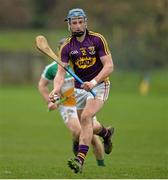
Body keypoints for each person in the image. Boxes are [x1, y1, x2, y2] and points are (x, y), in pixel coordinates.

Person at [49, 8, 114, 173]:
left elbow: (109, 66)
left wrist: (93, 82)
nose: (77, 26)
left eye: (80, 22)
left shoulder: (97, 39)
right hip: (79, 89)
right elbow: (61, 72)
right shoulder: (66, 47)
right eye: (74, 23)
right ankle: (106, 133)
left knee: (85, 117)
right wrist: (56, 89)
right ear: (69, 25)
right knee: (89, 124)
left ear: (85, 22)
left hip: (99, 85)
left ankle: (80, 160)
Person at [38, 38, 107, 166]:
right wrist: (50, 100)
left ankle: (101, 164)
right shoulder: (52, 68)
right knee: (79, 131)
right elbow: (42, 85)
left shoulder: (80, 64)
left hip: (84, 102)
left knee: (93, 135)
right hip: (67, 106)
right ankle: (77, 143)